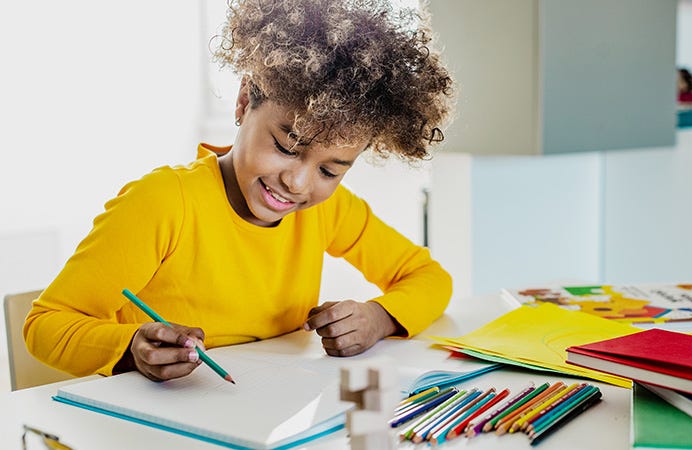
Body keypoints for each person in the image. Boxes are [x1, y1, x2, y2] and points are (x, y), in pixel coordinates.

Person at [23, 0, 455, 382]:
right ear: (245, 100)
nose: (298, 183)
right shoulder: (163, 202)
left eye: (330, 170)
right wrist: (133, 347)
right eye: (287, 146)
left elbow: (429, 278)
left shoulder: (329, 209)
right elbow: (46, 324)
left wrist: (377, 318)